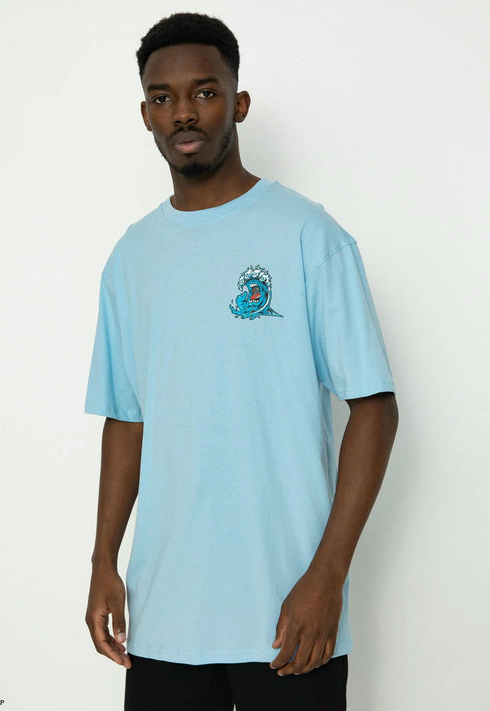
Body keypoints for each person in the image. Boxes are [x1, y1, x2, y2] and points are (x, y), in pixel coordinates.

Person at [84, 12, 399, 711]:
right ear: (145, 114)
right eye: (162, 97)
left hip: (291, 616)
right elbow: (126, 420)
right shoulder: (131, 259)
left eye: (204, 91)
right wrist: (104, 560)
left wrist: (327, 576)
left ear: (239, 103)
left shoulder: (308, 235)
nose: (183, 112)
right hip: (164, 615)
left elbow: (374, 409)